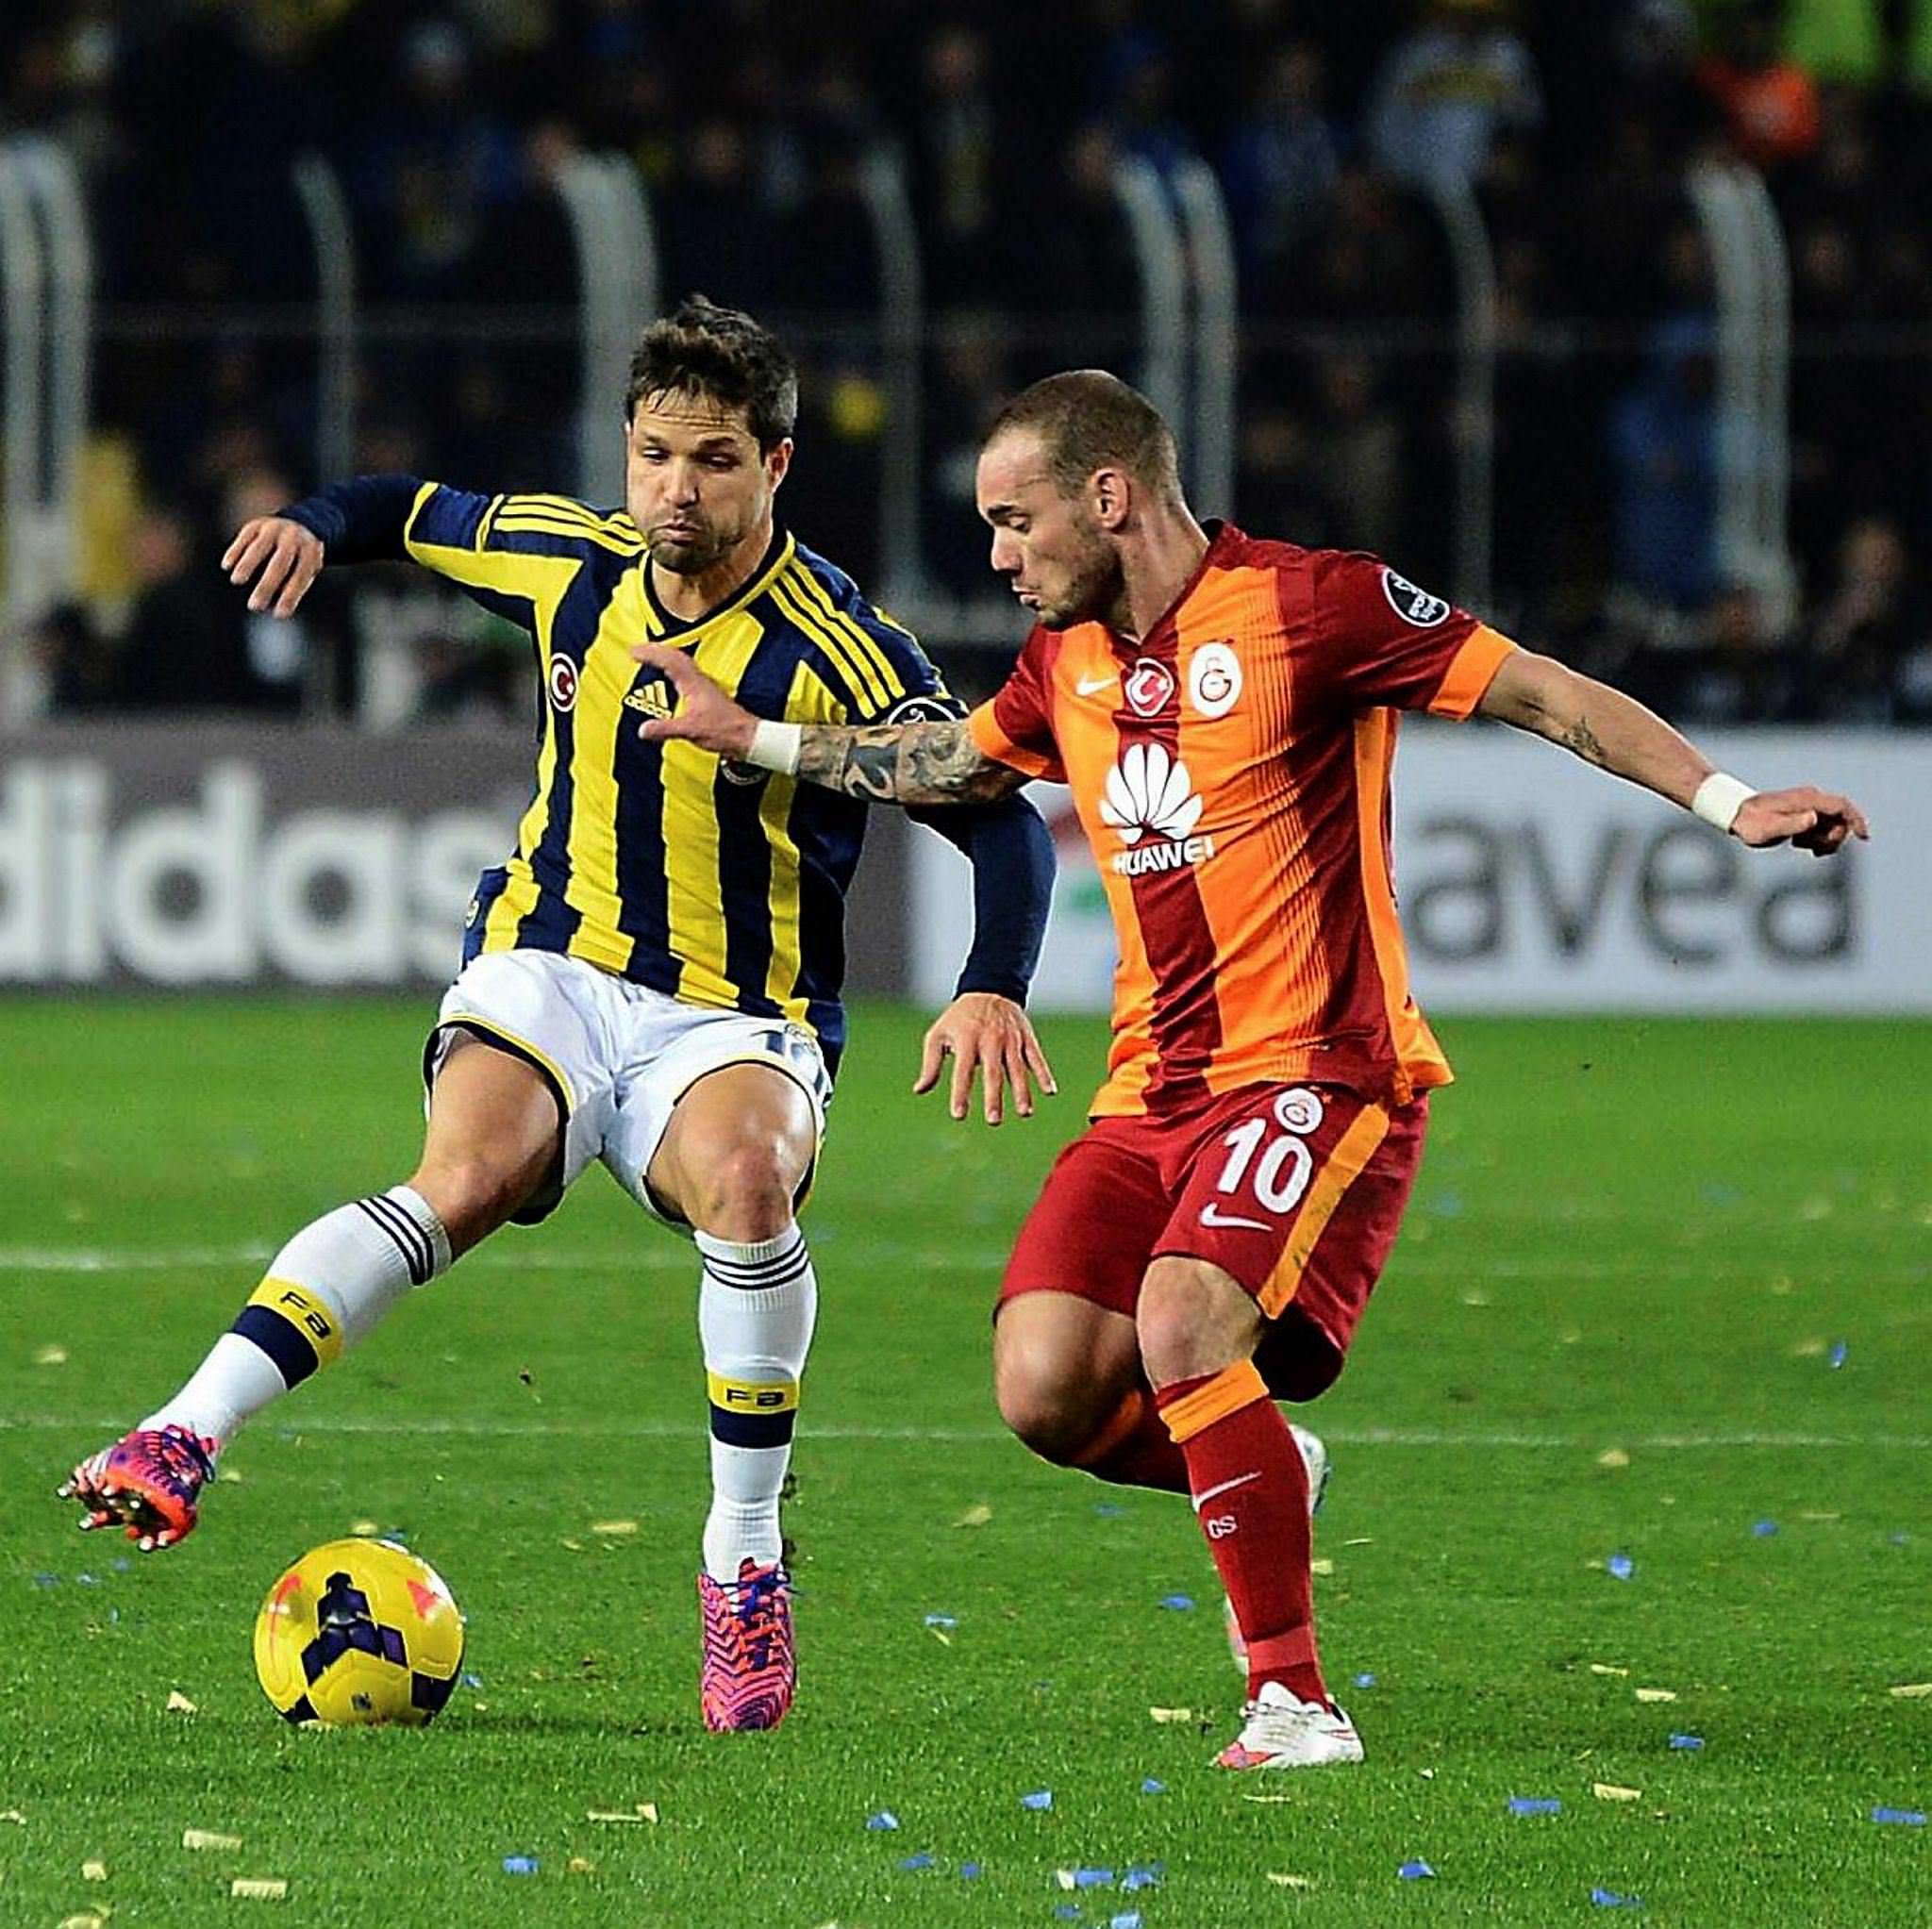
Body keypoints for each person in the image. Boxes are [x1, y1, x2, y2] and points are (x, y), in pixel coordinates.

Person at [634, 367, 1870, 1770]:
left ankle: (1296, 1700)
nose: (998, 556)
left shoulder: (1314, 605)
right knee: (1044, 1385)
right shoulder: (1064, 659)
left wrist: (1726, 801)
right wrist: (755, 736)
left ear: (1110, 497)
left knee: (1181, 1323)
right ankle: (1268, 1468)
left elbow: (1541, 691)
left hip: (1319, 1071)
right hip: (1151, 1093)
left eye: (1015, 521)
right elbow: (959, 766)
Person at [58, 297, 1058, 1735]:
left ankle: (743, 1560)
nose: (674, 488)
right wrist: (313, 526)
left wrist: (993, 978)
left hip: (736, 1013)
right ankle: (182, 1432)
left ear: (776, 464)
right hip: (552, 962)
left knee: (750, 1181)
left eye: (713, 459)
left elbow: (996, 815)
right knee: (463, 1176)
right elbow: (408, 510)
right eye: (654, 453)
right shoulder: (568, 558)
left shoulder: (839, 645)